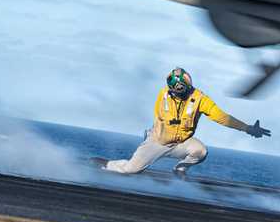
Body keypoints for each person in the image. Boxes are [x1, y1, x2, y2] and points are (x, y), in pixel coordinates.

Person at [104, 66, 269, 177]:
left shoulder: (199, 98)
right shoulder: (164, 95)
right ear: (175, 89)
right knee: (130, 170)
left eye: (187, 87)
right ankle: (106, 165)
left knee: (200, 151)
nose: (186, 91)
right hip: (157, 142)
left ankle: (180, 170)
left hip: (181, 143)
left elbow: (221, 117)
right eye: (181, 88)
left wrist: (246, 128)